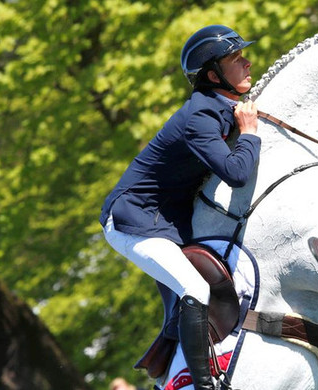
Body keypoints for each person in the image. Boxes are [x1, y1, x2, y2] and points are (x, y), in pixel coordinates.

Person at [99, 25, 261, 390]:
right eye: (236, 59)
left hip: (168, 219)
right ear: (212, 74)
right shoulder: (200, 116)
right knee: (194, 288)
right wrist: (249, 133)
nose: (248, 62)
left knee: (201, 289)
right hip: (132, 220)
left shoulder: (221, 107)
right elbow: (237, 173)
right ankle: (205, 386)